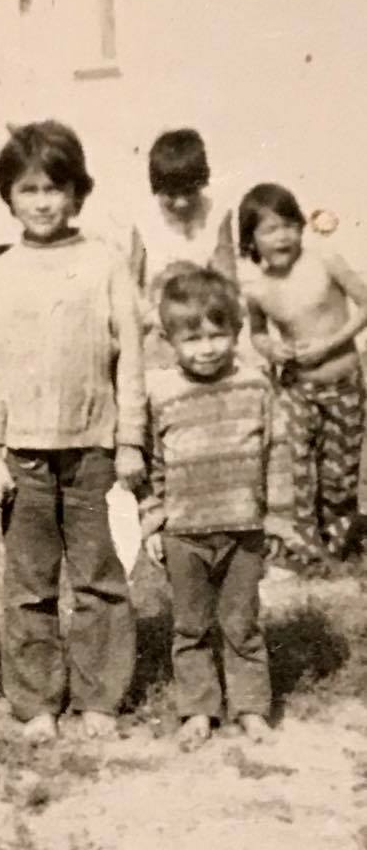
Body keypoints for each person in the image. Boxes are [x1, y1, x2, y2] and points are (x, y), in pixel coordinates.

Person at [0, 120, 146, 745]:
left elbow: (131, 358)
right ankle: (37, 699)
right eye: (28, 189)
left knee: (100, 576)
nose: (43, 201)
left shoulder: (105, 263)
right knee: (30, 584)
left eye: (55, 187)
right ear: (9, 198)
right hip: (24, 456)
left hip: (95, 447)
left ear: (76, 193)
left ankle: (101, 695)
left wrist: (130, 440)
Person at [141, 266, 272, 751]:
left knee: (242, 623)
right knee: (191, 625)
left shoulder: (256, 385)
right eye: (192, 338)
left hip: (243, 527)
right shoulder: (162, 392)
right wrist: (153, 519)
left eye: (218, 334)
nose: (207, 348)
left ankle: (252, 707)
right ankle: (198, 709)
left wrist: (275, 516)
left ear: (236, 331)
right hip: (185, 532)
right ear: (170, 339)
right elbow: (151, 463)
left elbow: (276, 453)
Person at [239, 183, 367, 568]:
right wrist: (271, 349)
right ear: (252, 240)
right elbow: (259, 333)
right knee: (299, 469)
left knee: (339, 473)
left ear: (300, 226)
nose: (282, 236)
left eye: (288, 225)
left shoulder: (324, 260)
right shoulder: (258, 289)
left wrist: (331, 342)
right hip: (297, 387)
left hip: (342, 379)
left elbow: (365, 304)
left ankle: (340, 539)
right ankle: (308, 549)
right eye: (269, 229)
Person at [132, 128, 236, 326]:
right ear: (157, 188)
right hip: (159, 318)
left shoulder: (216, 215)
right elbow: (132, 286)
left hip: (205, 315)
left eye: (189, 192)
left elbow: (228, 282)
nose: (181, 203)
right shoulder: (145, 220)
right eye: (171, 194)